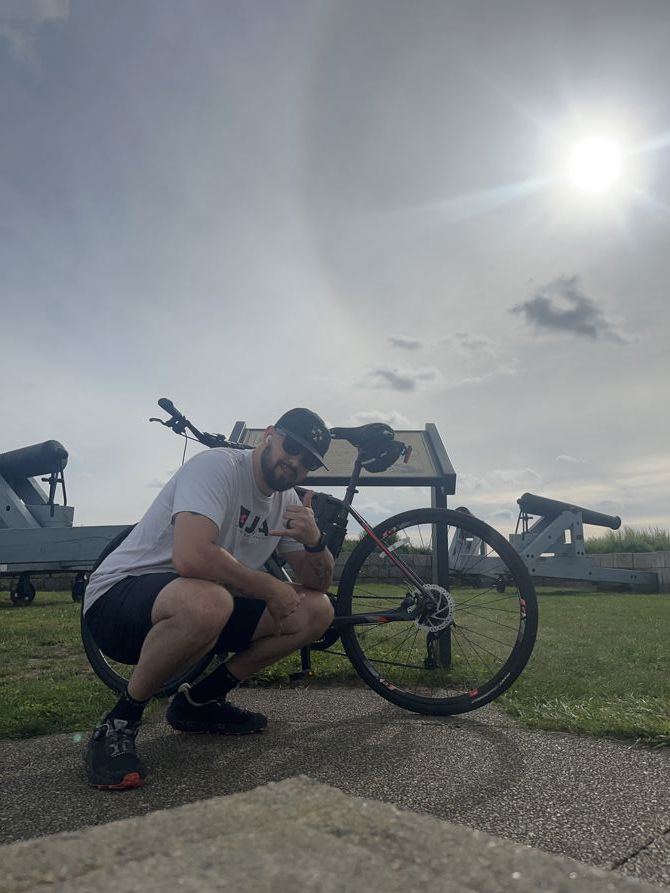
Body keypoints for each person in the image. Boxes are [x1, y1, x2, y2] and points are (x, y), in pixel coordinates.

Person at [83, 407, 334, 790]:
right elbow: (192, 556)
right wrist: (267, 587)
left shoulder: (287, 501)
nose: (296, 462)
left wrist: (315, 542)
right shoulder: (219, 467)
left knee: (316, 610)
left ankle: (200, 702)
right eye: (292, 447)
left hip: (203, 608)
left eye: (309, 462)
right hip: (118, 600)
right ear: (269, 434)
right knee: (210, 601)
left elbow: (318, 584)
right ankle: (118, 722)